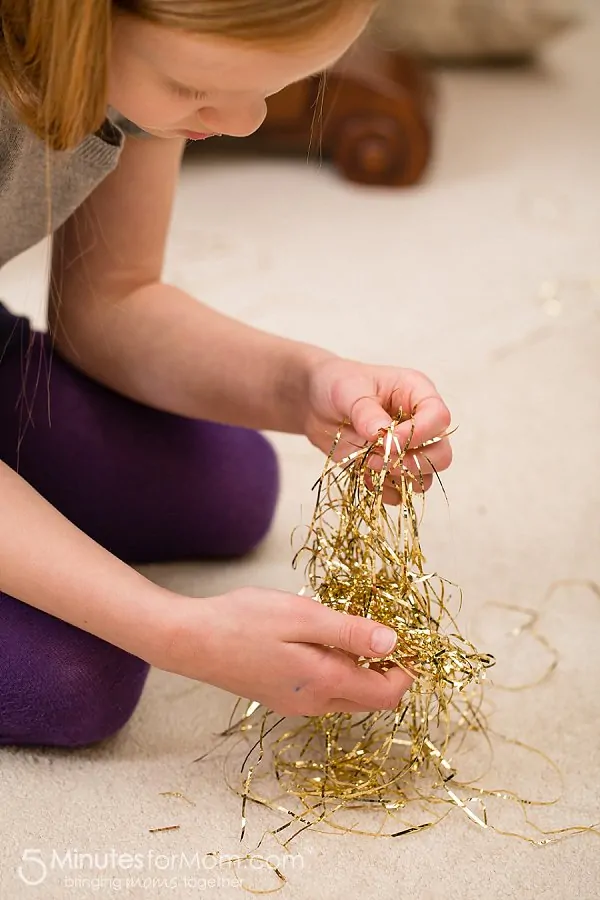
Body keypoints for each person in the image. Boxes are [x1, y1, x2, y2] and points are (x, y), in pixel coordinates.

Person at [0, 0, 452, 748]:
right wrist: (178, 631)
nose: (245, 121)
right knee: (77, 682)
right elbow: (160, 632)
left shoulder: (123, 57)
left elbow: (112, 301)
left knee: (233, 485)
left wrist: (304, 382)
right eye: (193, 87)